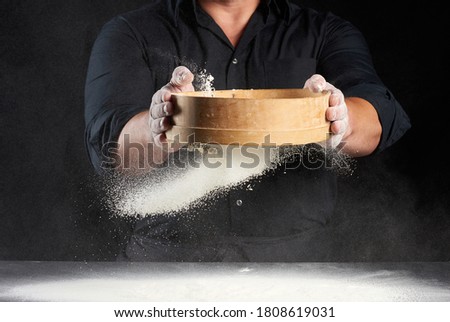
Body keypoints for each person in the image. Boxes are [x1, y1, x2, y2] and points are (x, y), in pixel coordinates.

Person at [84, 0, 411, 261]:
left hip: (302, 270)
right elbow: (109, 151)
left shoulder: (324, 31)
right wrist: (156, 129)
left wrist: (343, 120)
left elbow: (380, 113)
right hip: (167, 263)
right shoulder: (131, 32)